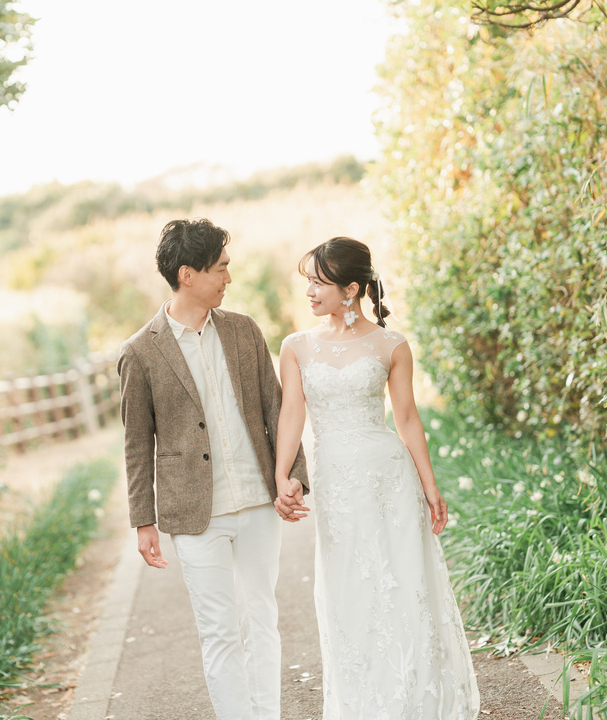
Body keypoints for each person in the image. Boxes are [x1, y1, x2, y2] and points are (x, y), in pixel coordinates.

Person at [273, 237, 480, 719]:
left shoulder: (391, 344)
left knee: (403, 584)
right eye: (307, 281)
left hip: (389, 478)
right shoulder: (296, 347)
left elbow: (406, 418)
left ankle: (417, 701)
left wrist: (430, 487)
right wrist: (282, 475)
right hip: (337, 483)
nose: (309, 291)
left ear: (351, 289)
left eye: (319, 282)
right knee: (349, 589)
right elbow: (291, 415)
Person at [118, 218, 309, 720]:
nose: (228, 277)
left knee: (262, 619)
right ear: (187, 274)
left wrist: (293, 476)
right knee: (219, 632)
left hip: (258, 501)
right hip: (194, 512)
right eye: (220, 268)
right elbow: (136, 444)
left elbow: (277, 409)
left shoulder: (244, 330)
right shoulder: (139, 352)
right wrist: (143, 520)